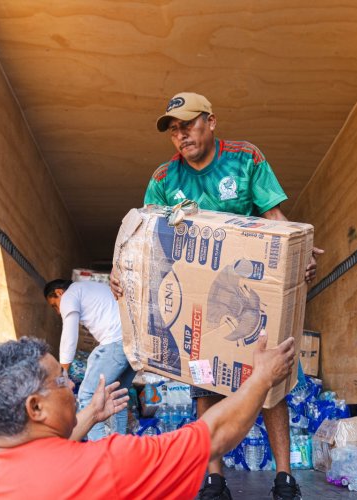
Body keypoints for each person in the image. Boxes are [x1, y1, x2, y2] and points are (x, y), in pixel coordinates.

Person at [110, 92, 322, 500]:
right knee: (203, 384)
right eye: (174, 130)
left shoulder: (245, 159)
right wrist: (121, 271)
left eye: (188, 125)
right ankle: (214, 478)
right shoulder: (162, 179)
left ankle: (284, 478)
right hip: (198, 299)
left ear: (211, 122)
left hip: (248, 289)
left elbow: (276, 220)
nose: (181, 135)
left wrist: (298, 259)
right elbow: (142, 238)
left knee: (269, 379)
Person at [0, 333, 296, 499]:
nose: (72, 383)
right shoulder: (107, 464)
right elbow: (213, 436)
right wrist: (263, 376)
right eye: (60, 379)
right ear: (35, 408)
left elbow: (42, 465)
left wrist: (88, 416)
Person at [44, 278, 136, 441]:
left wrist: (63, 370)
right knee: (118, 396)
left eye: (54, 305)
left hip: (115, 343)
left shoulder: (70, 295)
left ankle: (99, 451)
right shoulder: (90, 288)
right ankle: (120, 447)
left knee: (88, 396)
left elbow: (69, 334)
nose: (58, 311)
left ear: (59, 292)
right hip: (132, 344)